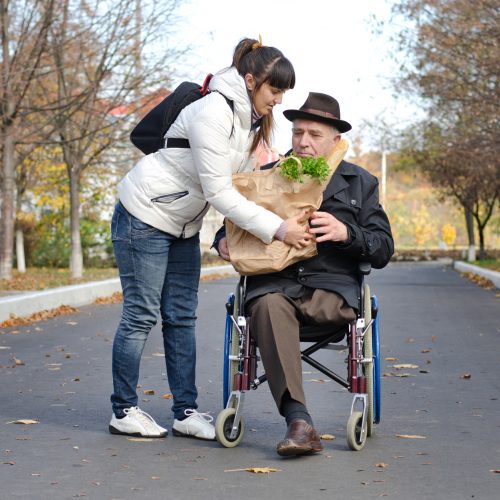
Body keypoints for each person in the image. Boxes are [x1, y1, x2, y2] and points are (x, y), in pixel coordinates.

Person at [109, 37, 312, 440]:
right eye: (275, 90)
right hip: (144, 214)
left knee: (182, 318)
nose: (279, 99)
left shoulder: (248, 121)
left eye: (284, 92)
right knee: (141, 314)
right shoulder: (214, 112)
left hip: (182, 224)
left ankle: (185, 411)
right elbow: (220, 193)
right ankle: (123, 409)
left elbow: (253, 179)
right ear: (251, 80)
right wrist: (279, 229)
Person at [215, 92, 394, 455]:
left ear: (336, 141)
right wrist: (222, 242)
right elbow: (231, 224)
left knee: (279, 302)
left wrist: (347, 233)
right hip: (274, 287)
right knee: (266, 305)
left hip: (331, 292)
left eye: (314, 134)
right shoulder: (267, 178)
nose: (304, 142)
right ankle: (299, 421)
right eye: (298, 133)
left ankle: (302, 422)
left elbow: (383, 248)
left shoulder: (360, 182)